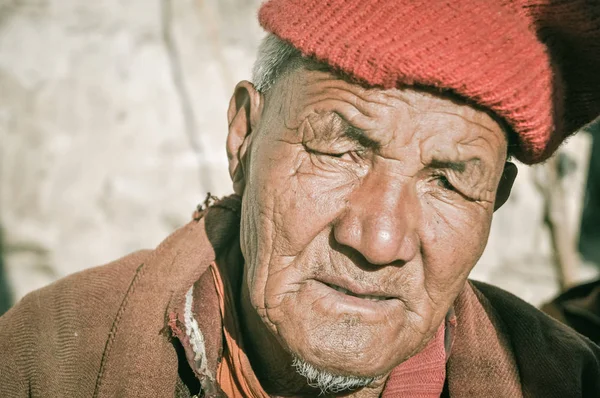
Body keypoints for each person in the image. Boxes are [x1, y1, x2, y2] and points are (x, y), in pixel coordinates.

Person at [1, 0, 600, 397]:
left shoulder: (567, 382)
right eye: (340, 151)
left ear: (494, 201)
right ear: (243, 138)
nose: (378, 240)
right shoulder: (47, 359)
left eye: (447, 181)